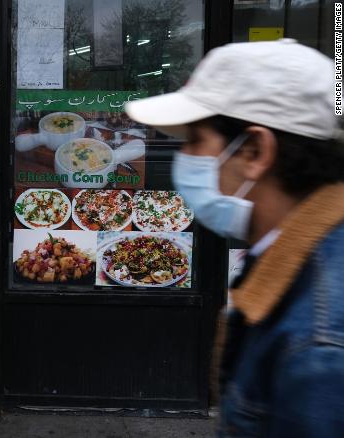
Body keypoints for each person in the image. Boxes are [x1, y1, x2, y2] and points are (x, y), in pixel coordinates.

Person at [126, 39, 344, 437]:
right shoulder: (291, 257)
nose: (184, 157)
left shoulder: (320, 343)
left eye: (195, 140)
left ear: (255, 152)